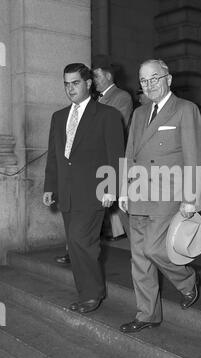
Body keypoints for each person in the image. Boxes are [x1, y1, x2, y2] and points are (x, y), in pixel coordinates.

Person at [119, 59, 201, 333]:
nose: (149, 85)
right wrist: (123, 188)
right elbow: (130, 152)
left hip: (168, 193)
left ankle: (187, 280)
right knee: (139, 258)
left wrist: (192, 197)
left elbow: (195, 156)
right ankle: (147, 314)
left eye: (154, 78)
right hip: (138, 191)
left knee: (155, 249)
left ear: (168, 78)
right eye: (144, 81)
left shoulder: (185, 109)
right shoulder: (139, 113)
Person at [43, 63, 124, 314]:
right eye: (66, 84)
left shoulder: (108, 115)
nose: (70, 88)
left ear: (88, 83)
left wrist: (111, 188)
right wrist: (50, 186)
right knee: (75, 243)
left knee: (81, 241)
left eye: (75, 82)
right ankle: (86, 291)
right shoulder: (58, 117)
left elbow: (116, 155)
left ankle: (92, 294)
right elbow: (55, 157)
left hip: (94, 190)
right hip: (66, 192)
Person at [92, 54, 133, 241]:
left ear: (108, 76)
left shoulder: (121, 97)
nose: (94, 81)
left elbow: (117, 127)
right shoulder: (94, 99)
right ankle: (77, 249)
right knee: (90, 209)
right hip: (95, 162)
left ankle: (142, 250)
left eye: (96, 76)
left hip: (112, 161)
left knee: (124, 210)